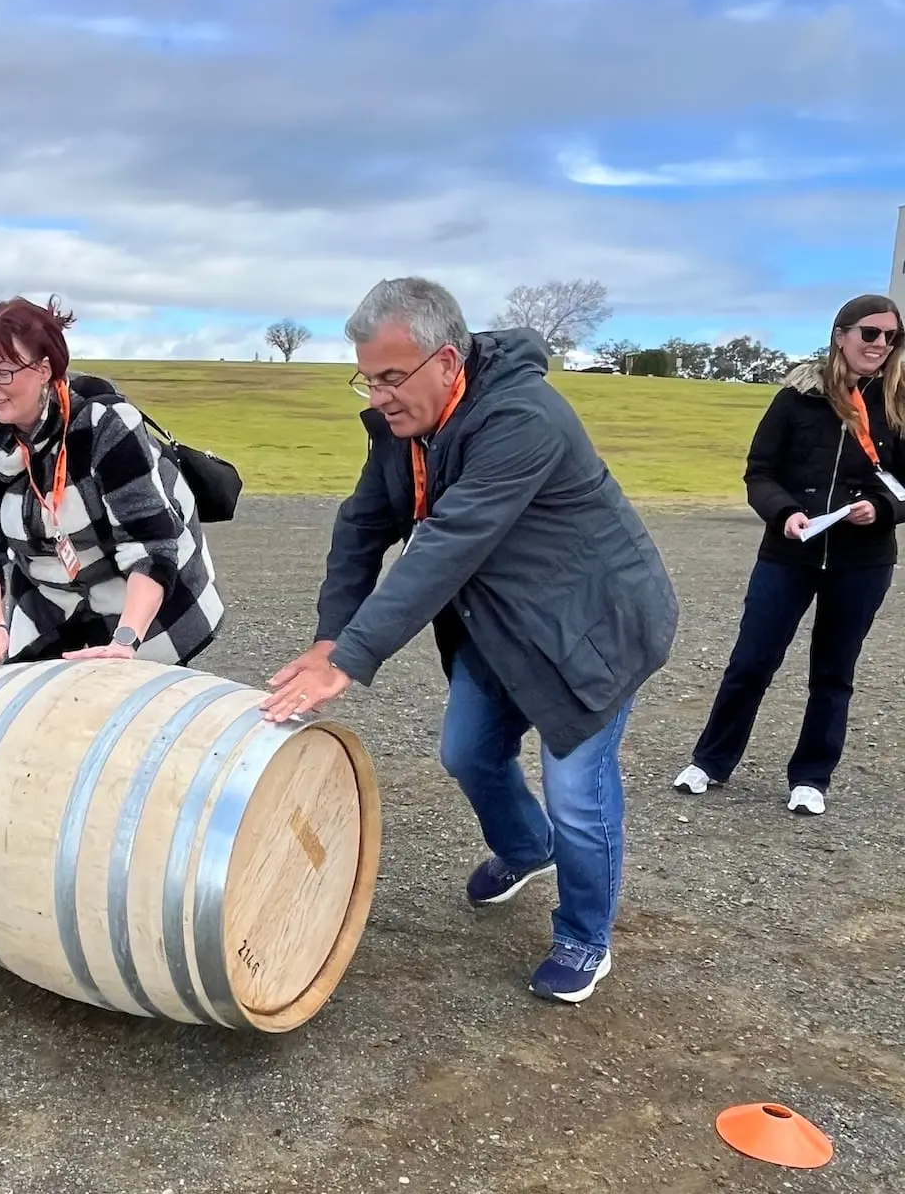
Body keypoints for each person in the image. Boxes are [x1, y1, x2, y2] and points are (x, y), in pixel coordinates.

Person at [262, 277, 678, 1005]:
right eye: (368, 377)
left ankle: (586, 935)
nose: (379, 395)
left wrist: (354, 659)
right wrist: (331, 638)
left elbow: (449, 543)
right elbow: (363, 527)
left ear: (448, 361)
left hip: (593, 626)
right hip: (503, 624)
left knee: (578, 791)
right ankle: (527, 847)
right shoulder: (404, 432)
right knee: (466, 751)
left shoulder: (522, 418)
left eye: (393, 377)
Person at [673, 294, 905, 814]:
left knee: (833, 672)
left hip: (862, 562)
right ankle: (710, 761)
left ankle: (811, 777)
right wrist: (783, 513)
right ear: (841, 334)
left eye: (892, 337)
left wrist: (882, 508)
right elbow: (760, 470)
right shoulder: (797, 397)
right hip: (789, 553)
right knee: (751, 662)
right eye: (871, 333)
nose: (882, 345)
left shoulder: (900, 403)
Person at [0, 295, 223, 677]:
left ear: (44, 370)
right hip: (54, 599)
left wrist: (125, 641)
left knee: (130, 709)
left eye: (4, 372)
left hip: (144, 600)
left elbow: (150, 547)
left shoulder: (105, 424)